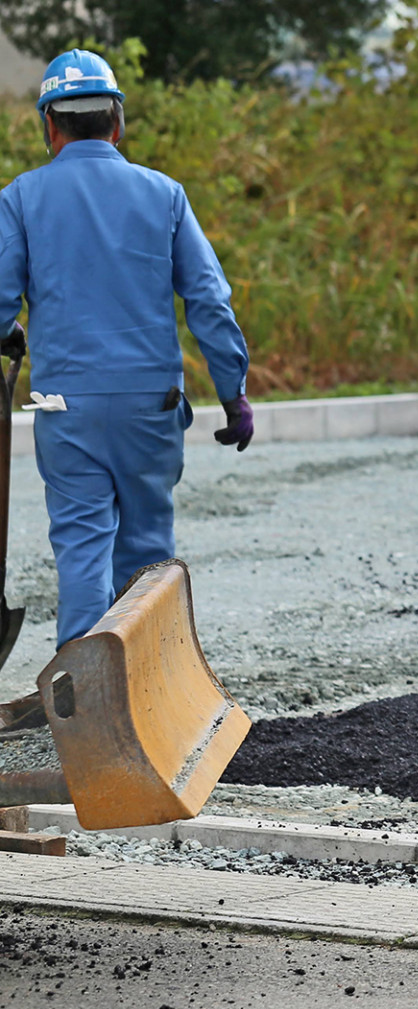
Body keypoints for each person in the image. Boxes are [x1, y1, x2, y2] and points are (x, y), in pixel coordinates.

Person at [0, 50, 254, 657]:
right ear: (117, 124)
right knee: (146, 557)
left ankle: (80, 703)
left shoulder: (22, 198)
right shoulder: (164, 195)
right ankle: (149, 693)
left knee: (83, 551)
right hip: (151, 406)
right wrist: (232, 391)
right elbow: (209, 302)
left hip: (67, 408)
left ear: (49, 126)